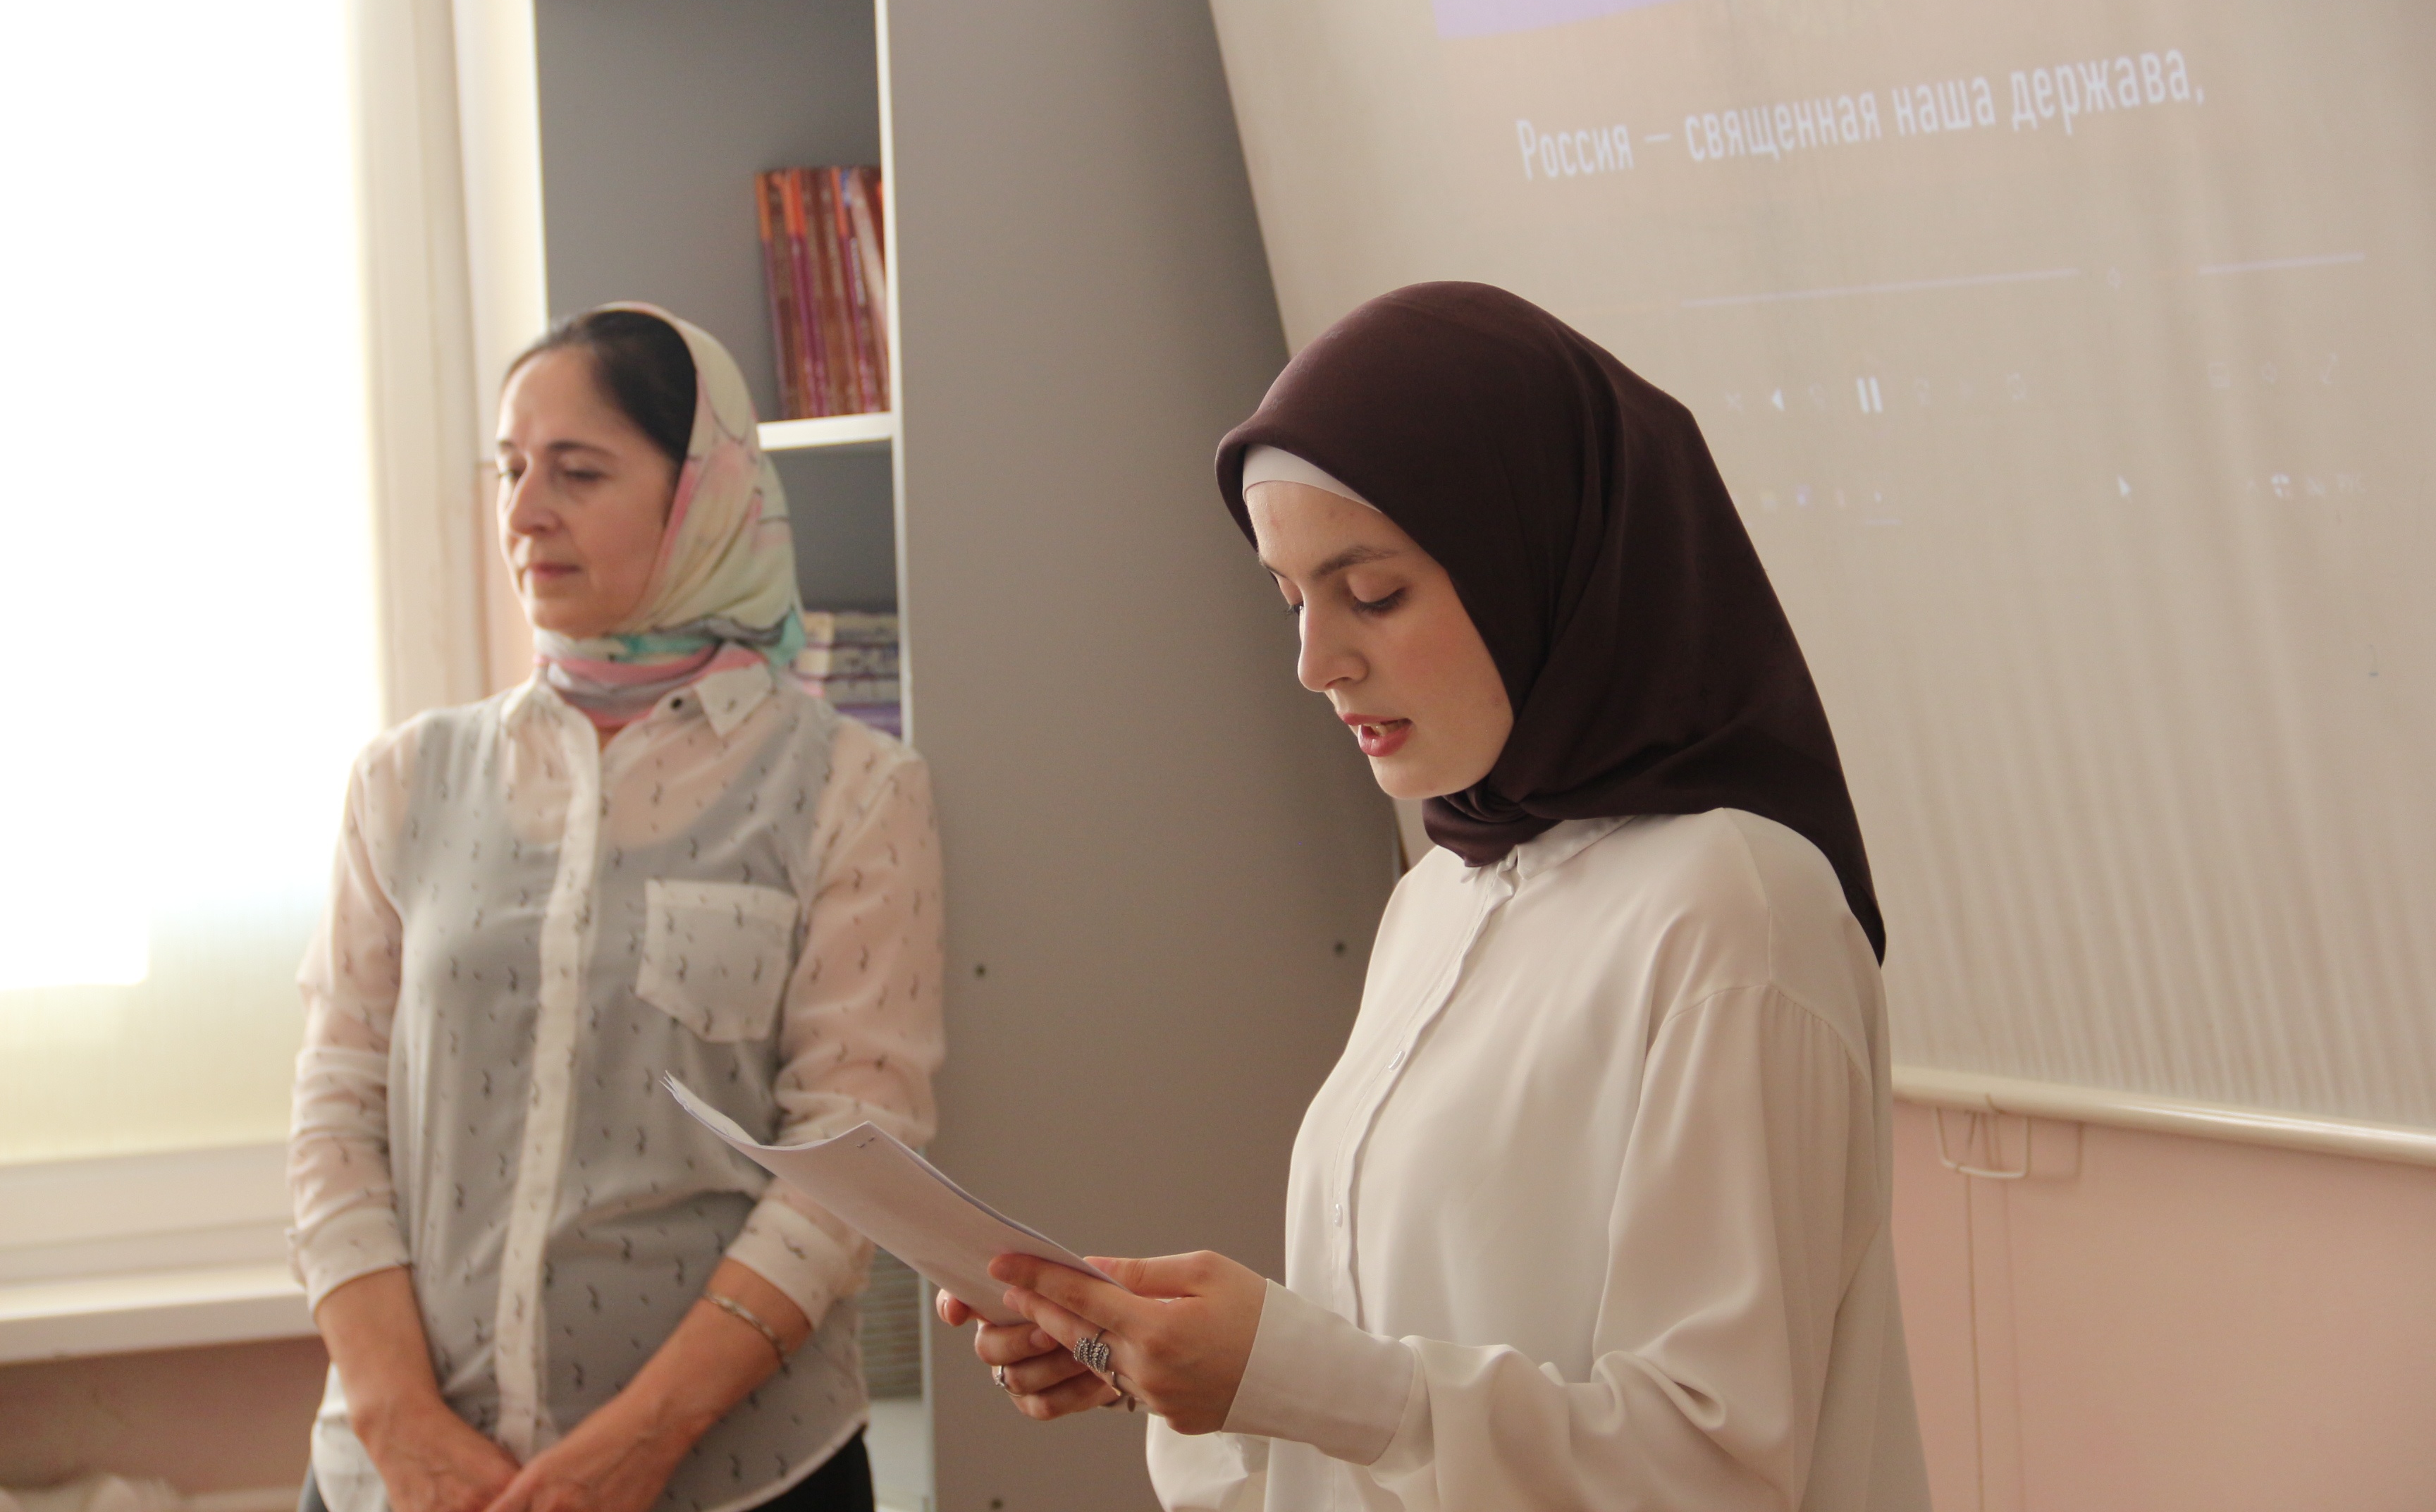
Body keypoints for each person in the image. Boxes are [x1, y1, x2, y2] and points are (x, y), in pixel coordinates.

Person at [940, 283, 1930, 1510]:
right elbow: (1406, 1368)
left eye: (1373, 594)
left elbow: (1709, 1469)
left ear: (1541, 558)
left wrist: (1289, 1375)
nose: (1317, 663)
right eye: (1291, 600)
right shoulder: (1441, 899)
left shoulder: (1733, 908)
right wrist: (1172, 1368)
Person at [289, 306, 944, 1512]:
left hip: (741, 1476)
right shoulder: (406, 779)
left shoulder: (853, 790)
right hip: (404, 1480)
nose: (525, 510)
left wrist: (643, 1443)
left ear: (702, 497)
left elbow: (854, 1155)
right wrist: (399, 1424)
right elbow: (337, 1108)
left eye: (578, 472)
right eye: (511, 468)